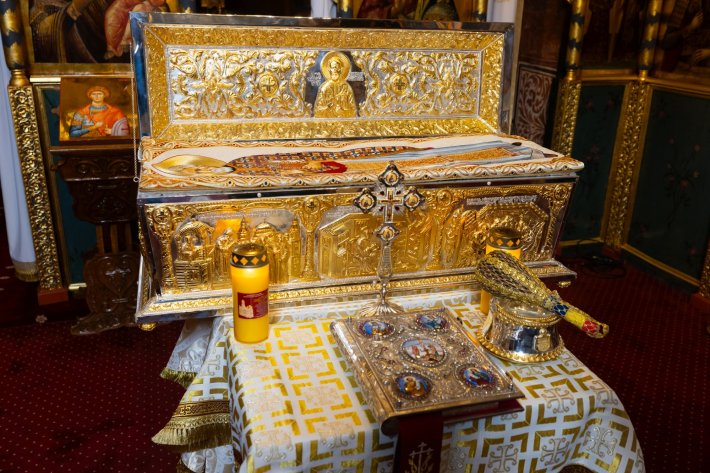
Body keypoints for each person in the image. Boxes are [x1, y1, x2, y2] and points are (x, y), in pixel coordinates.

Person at [314, 52, 357, 118]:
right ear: (329, 69)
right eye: (332, 67)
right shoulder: (325, 88)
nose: (334, 70)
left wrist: (343, 110)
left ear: (340, 69)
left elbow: (353, 110)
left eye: (337, 67)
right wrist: (327, 107)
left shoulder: (346, 88)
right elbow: (317, 110)